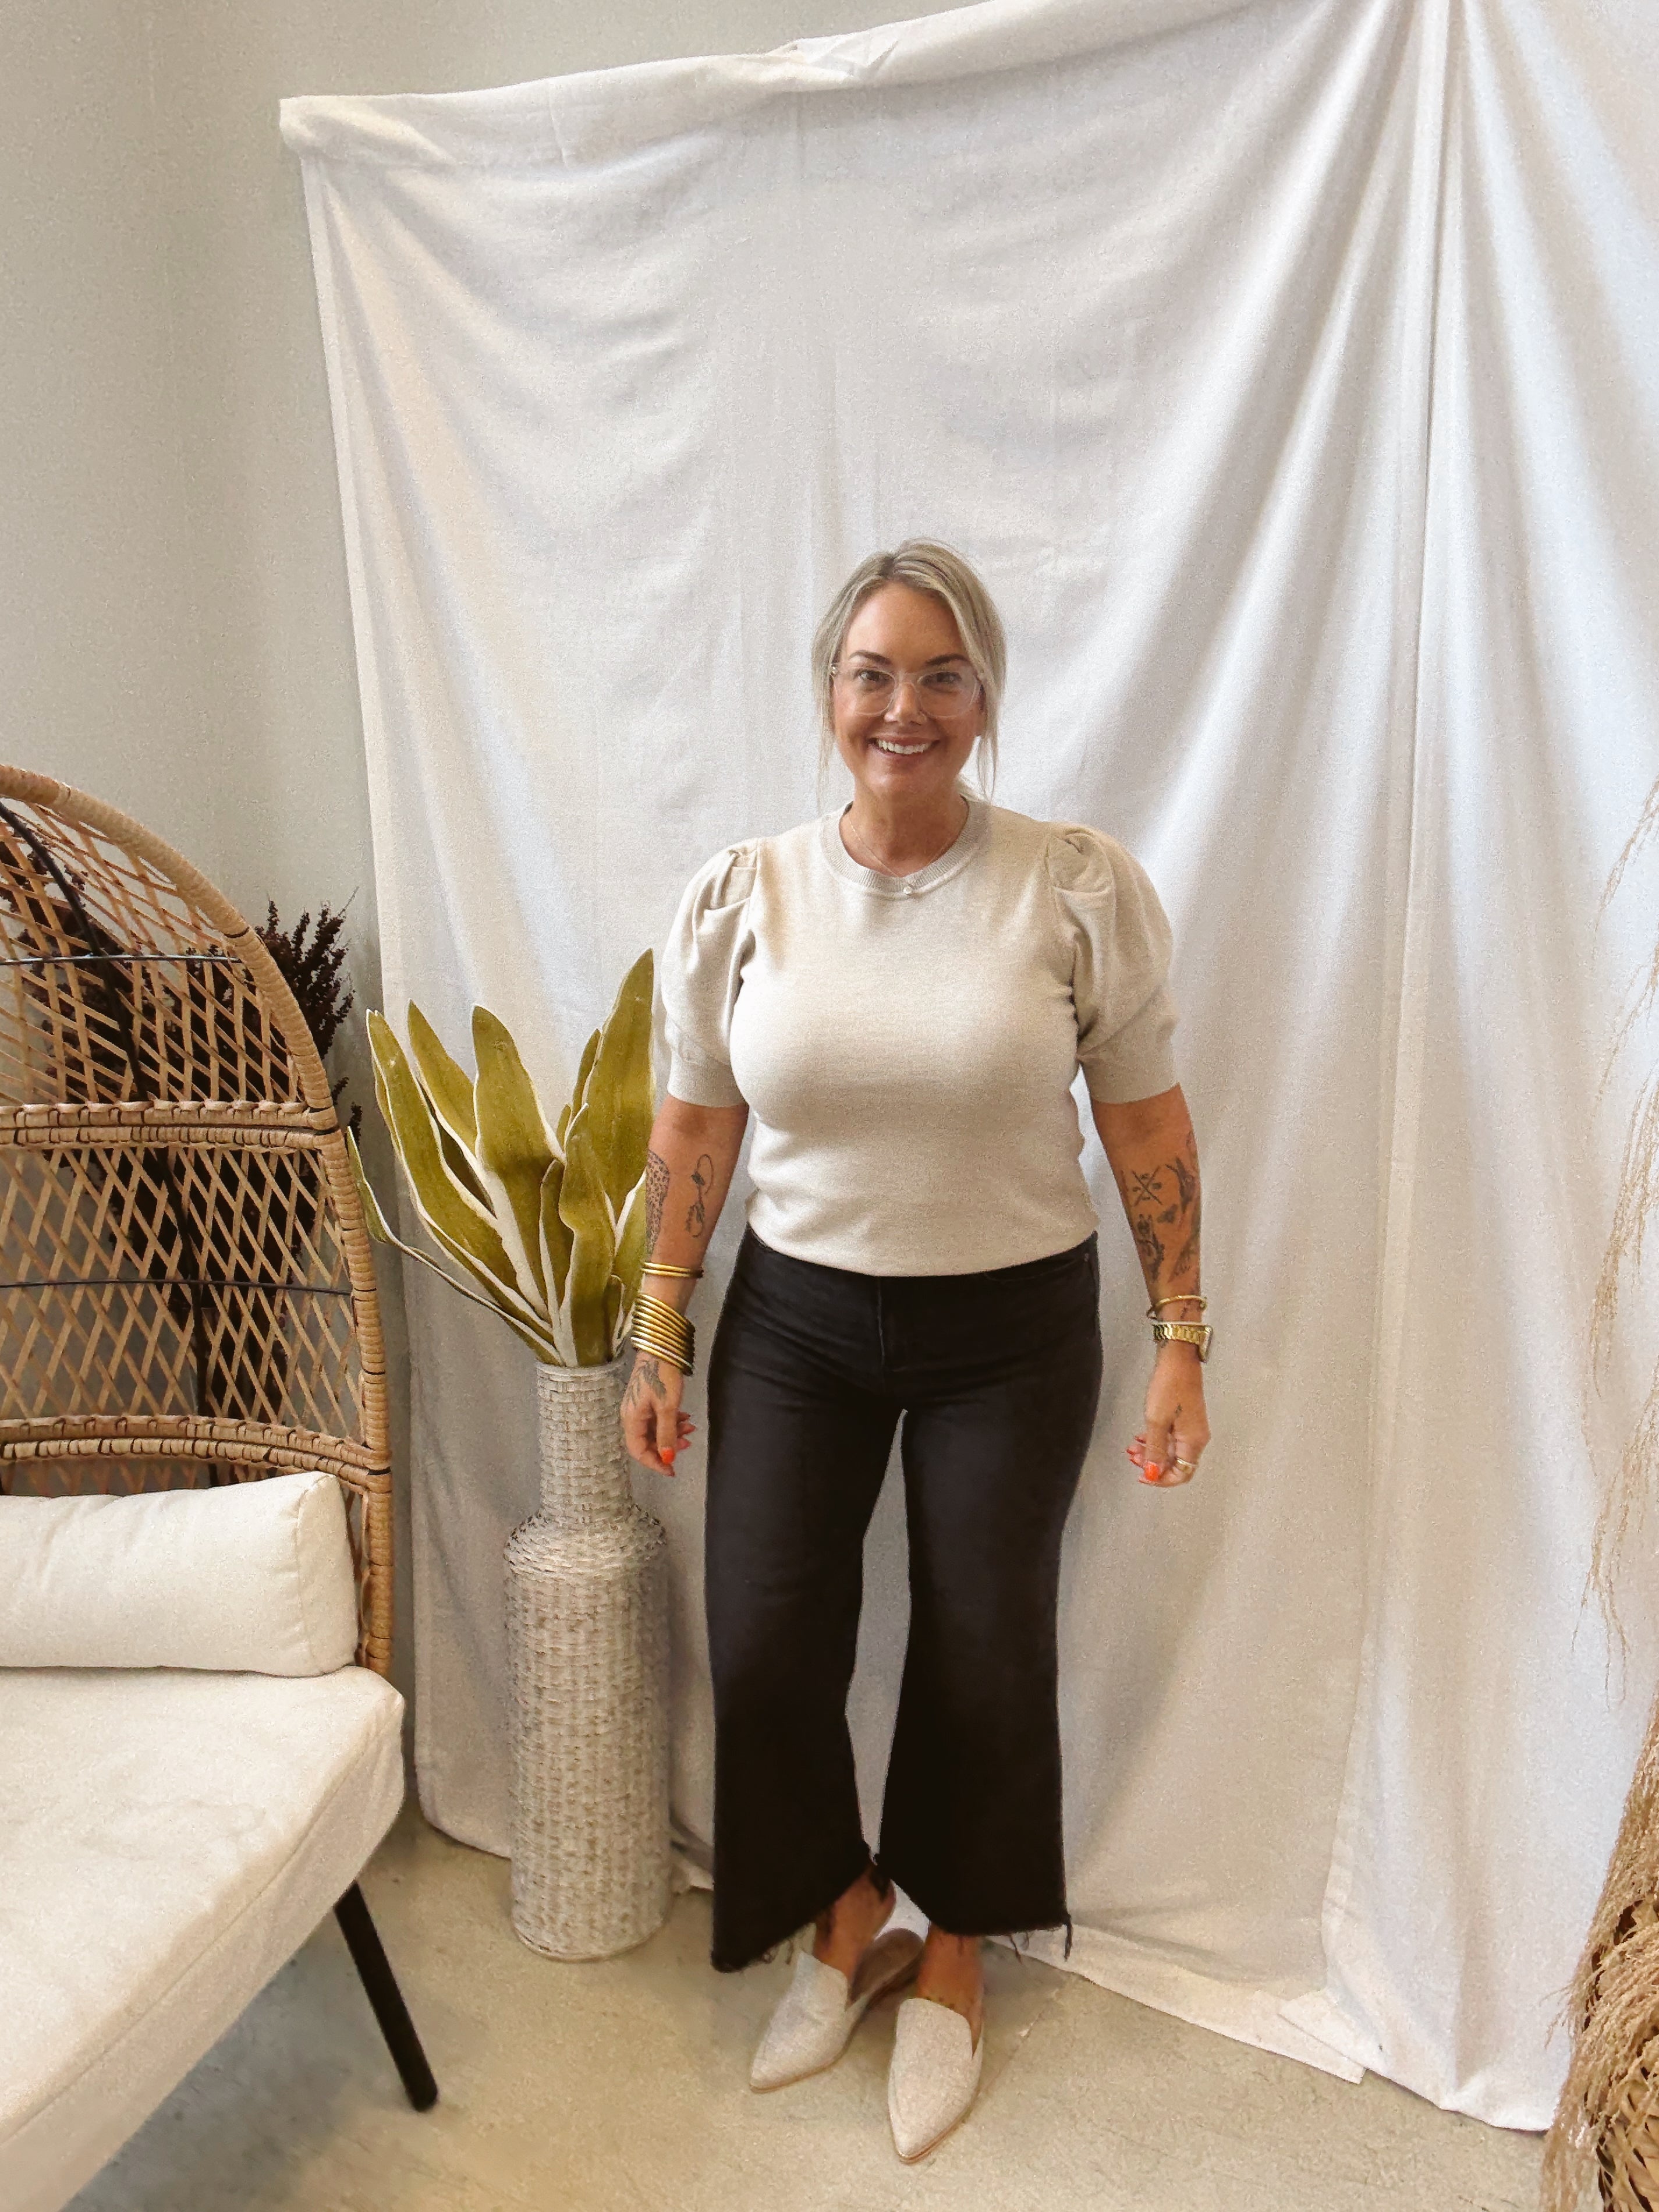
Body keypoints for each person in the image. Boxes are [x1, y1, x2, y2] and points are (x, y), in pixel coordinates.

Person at [621, 539, 1210, 2163]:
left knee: (979, 1642)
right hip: (797, 1320)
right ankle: (846, 1908)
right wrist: (656, 1326)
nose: (906, 707)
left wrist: (1183, 1338)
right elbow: (692, 1127)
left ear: (984, 700)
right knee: (762, 1640)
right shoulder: (745, 897)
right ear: (828, 696)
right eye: (873, 673)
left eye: (942, 675)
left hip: (1008, 1327)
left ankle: (952, 1953)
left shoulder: (1071, 887)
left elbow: (1144, 1121)